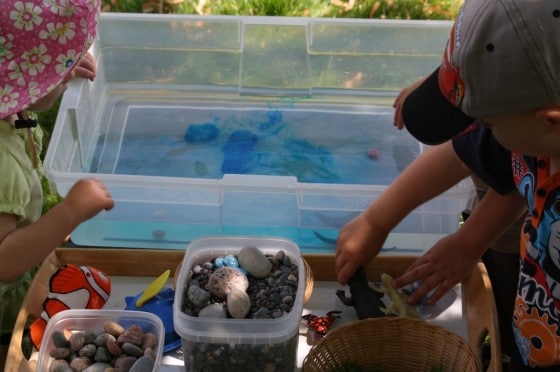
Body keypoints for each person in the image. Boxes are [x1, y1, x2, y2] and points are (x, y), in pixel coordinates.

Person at [337, 0, 560, 370]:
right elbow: (472, 155)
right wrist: (377, 220)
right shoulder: (535, 132)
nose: (477, 131)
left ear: (551, 121)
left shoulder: (533, 130)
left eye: (485, 122)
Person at [0, 0, 113, 367]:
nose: (66, 75)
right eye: (57, 69)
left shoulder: (9, 107)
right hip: (6, 307)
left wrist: (55, 73)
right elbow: (4, 260)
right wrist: (70, 211)